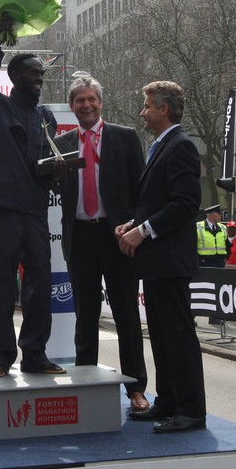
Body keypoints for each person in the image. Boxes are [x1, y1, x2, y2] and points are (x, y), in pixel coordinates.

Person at [0, 30, 65, 378]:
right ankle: (2, 356)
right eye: (33, 72)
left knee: (40, 286)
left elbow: (50, 160)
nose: (40, 77)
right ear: (15, 76)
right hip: (3, 211)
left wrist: (59, 170)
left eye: (41, 73)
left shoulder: (47, 117)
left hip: (36, 212)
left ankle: (35, 354)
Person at [53, 75, 149, 412]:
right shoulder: (61, 144)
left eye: (91, 99)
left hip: (117, 236)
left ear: (100, 103)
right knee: (85, 316)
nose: (87, 105)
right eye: (80, 100)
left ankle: (136, 388)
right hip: (80, 237)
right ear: (72, 106)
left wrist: (135, 226)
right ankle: (86, 386)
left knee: (126, 315)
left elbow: (142, 190)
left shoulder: (124, 137)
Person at [116, 81, 206, 432]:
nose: (143, 113)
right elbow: (157, 201)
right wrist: (133, 224)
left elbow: (185, 203)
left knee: (178, 337)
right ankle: (168, 401)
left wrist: (143, 230)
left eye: (147, 106)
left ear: (163, 109)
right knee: (162, 336)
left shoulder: (180, 147)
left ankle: (191, 410)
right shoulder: (162, 147)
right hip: (157, 262)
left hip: (170, 261)